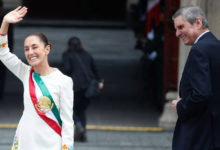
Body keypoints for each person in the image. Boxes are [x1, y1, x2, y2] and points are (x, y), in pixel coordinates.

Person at [0, 7, 74, 150]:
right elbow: (3, 53)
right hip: (25, 143)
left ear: (47, 49)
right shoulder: (25, 73)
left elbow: (67, 123)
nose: (30, 52)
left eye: (35, 47)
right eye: (26, 49)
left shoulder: (64, 81)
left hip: (51, 145)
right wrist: (5, 22)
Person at [171, 6, 220, 150]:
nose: (177, 34)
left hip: (199, 135)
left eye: (181, 27)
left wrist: (180, 105)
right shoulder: (216, 46)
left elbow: (201, 94)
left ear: (198, 23)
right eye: (176, 29)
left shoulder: (200, 50)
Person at [62, 37, 103, 142]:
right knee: (81, 110)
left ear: (68, 45)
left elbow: (67, 69)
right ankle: (83, 134)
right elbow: (96, 70)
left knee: (67, 108)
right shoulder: (87, 55)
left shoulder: (67, 55)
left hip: (75, 87)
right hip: (88, 87)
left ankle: (79, 126)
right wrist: (100, 82)